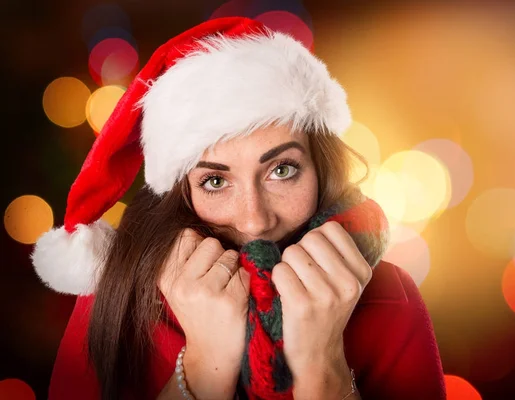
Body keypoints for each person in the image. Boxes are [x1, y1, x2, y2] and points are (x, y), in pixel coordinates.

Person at [31, 17, 445, 400]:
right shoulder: (116, 296)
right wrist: (205, 366)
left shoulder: (389, 297)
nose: (254, 219)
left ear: (320, 168)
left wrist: (323, 369)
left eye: (282, 170)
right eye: (215, 181)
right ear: (182, 193)